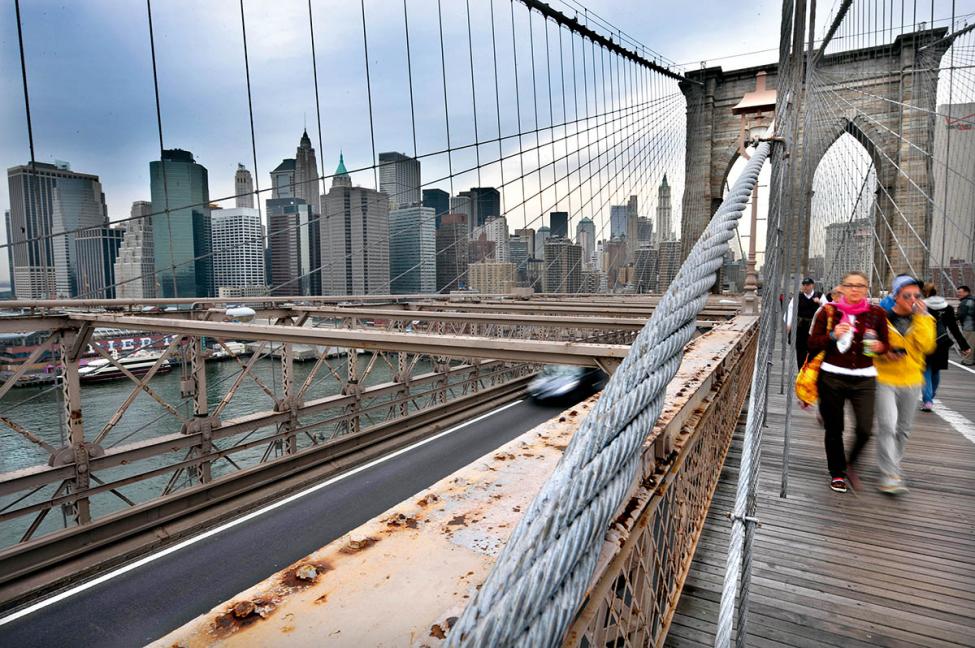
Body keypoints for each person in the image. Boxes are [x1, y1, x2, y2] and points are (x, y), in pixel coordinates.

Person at [807, 271, 889, 493]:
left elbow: (885, 345)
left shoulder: (877, 314)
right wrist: (832, 336)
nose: (855, 289)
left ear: (867, 289)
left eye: (860, 286)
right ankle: (837, 473)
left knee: (865, 429)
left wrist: (880, 347)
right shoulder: (827, 312)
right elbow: (812, 343)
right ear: (841, 288)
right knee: (835, 428)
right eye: (850, 285)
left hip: (864, 379)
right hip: (831, 377)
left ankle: (850, 462)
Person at [873, 276, 936, 495]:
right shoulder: (880, 319)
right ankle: (889, 474)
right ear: (895, 297)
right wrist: (884, 352)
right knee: (888, 426)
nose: (912, 299)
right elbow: (867, 348)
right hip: (885, 379)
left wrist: (921, 318)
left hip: (912, 381)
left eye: (917, 296)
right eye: (906, 295)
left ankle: (894, 464)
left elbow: (926, 346)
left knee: (903, 430)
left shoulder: (927, 320)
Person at [920, 283, 972, 411]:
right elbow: (954, 329)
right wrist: (964, 346)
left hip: (924, 343)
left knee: (926, 370)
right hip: (942, 343)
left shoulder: (920, 306)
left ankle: (927, 400)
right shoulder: (947, 307)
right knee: (936, 370)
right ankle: (931, 396)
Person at [786, 278, 823, 368]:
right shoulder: (797, 297)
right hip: (800, 329)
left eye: (808, 285)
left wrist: (820, 303)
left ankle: (810, 372)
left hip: (813, 329)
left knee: (813, 351)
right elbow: (790, 310)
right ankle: (801, 371)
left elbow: (828, 309)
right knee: (800, 352)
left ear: (812, 285)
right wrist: (789, 325)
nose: (805, 287)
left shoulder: (820, 296)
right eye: (804, 285)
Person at [958, 285, 975, 366]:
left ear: (966, 292)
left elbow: (961, 315)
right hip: (972, 326)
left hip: (969, 326)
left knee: (968, 344)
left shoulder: (966, 302)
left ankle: (968, 361)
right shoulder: (973, 300)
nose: (958, 294)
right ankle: (972, 359)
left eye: (960, 292)